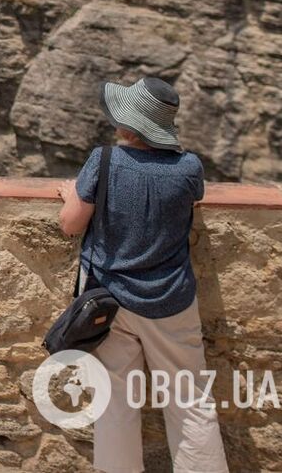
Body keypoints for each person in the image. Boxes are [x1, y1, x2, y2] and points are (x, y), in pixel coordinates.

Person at [56, 75, 228, 473]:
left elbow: (70, 224)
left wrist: (71, 195)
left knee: (116, 401)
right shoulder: (188, 168)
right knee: (190, 402)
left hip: (111, 300)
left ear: (129, 124)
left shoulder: (104, 160)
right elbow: (192, 196)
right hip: (171, 301)